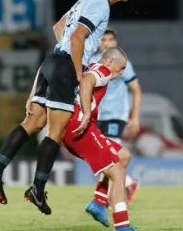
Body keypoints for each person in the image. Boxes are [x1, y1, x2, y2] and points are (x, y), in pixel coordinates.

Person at [0, 0, 136, 215]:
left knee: (32, 123)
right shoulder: (101, 4)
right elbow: (77, 37)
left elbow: (59, 29)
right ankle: (37, 188)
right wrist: (76, 72)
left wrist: (56, 69)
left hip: (52, 62)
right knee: (56, 130)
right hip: (65, 66)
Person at [63, 47, 136, 230]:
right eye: (121, 68)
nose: (121, 73)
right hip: (81, 128)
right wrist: (87, 113)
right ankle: (122, 226)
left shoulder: (92, 66)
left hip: (79, 127)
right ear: (110, 61)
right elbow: (86, 82)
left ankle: (98, 202)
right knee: (117, 172)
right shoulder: (103, 70)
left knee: (124, 156)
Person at [88, 28, 142, 203]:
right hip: (97, 115)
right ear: (98, 42)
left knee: (110, 155)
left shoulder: (122, 63)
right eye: (103, 39)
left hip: (116, 115)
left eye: (110, 39)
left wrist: (134, 117)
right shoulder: (92, 61)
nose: (106, 43)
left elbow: (136, 90)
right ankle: (128, 183)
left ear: (115, 42)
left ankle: (102, 200)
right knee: (101, 155)